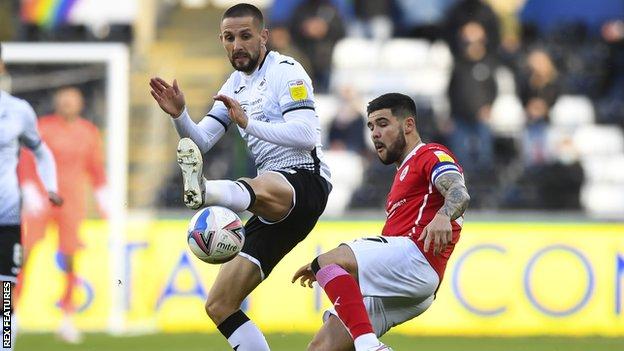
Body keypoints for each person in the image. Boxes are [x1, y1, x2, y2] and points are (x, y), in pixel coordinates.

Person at [149, 4, 331, 350]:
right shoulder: (233, 85)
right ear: (221, 40)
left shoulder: (287, 71)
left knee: (257, 183)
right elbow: (200, 141)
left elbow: (306, 134)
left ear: (264, 36)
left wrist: (248, 123)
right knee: (219, 304)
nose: (237, 45)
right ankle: (207, 192)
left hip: (305, 182)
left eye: (245, 36)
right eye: (229, 38)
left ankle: (205, 192)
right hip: (268, 202)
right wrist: (180, 116)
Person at [292, 93, 470, 351]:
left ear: (408, 125)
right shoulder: (400, 179)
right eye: (371, 126)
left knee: (326, 260)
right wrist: (329, 270)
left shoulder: (430, 154)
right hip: (406, 283)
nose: (375, 133)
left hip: (417, 260)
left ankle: (370, 347)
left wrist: (443, 215)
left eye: (383, 124)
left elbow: (458, 191)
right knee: (320, 348)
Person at [16, 86, 108, 343]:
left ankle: (67, 317)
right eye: (64, 100)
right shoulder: (42, 127)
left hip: (72, 202)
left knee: (70, 258)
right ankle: (11, 312)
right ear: (57, 103)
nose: (68, 104)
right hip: (42, 200)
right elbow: (26, 159)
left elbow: (95, 168)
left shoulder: (88, 133)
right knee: (23, 254)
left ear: (79, 104)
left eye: (72, 100)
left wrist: (103, 196)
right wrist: (28, 186)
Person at [0, 42, 62, 351]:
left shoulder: (17, 110)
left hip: (6, 213)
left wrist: (49, 186)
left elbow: (40, 151)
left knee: (5, 288)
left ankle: (6, 344)